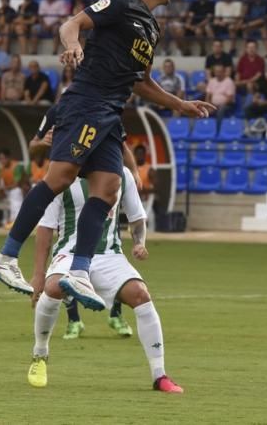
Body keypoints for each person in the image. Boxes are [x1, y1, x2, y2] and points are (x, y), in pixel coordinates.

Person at [0, 0, 215, 303]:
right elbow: (71, 23)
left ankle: (79, 271)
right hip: (87, 102)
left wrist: (180, 104)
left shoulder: (151, 28)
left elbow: (140, 81)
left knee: (110, 187)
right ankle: (6, 256)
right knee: (60, 176)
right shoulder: (121, 3)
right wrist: (75, 45)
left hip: (110, 113)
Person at [27, 165, 182, 393]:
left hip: (109, 255)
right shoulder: (61, 173)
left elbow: (137, 219)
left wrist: (139, 243)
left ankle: (160, 376)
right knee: (53, 288)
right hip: (69, 254)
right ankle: (40, 356)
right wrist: (38, 274)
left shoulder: (122, 173)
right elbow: (46, 228)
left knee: (141, 295)